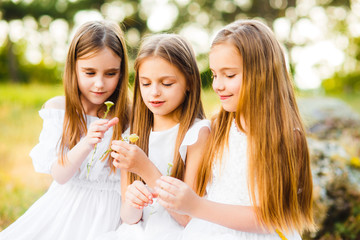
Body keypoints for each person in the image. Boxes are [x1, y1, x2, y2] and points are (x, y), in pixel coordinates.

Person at [155, 19, 315, 240]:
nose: (218, 85)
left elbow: (270, 217)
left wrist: (197, 206)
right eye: (214, 74)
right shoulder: (219, 127)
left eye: (229, 75)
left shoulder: (286, 137)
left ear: (262, 75)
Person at [0, 21, 130, 240]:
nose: (99, 84)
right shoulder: (60, 110)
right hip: (66, 208)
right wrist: (87, 142)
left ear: (122, 72)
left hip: (112, 213)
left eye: (110, 74)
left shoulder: (128, 115)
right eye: (89, 72)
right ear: (73, 68)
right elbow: (60, 175)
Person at [98, 34, 210, 240]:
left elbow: (188, 218)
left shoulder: (198, 134)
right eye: (146, 84)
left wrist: (145, 168)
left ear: (189, 83)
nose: (154, 92)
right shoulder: (131, 136)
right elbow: (128, 218)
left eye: (166, 83)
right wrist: (133, 201)